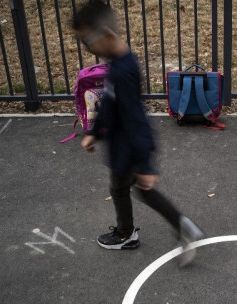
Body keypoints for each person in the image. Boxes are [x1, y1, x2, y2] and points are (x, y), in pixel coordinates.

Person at [72, 0, 203, 266]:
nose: (87, 48)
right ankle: (142, 231)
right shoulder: (119, 62)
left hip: (128, 146)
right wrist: (94, 133)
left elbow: (136, 119)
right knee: (129, 188)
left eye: (87, 41)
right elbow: (109, 102)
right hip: (121, 143)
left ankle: (139, 232)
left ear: (106, 34)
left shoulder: (124, 71)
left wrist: (144, 163)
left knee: (131, 188)